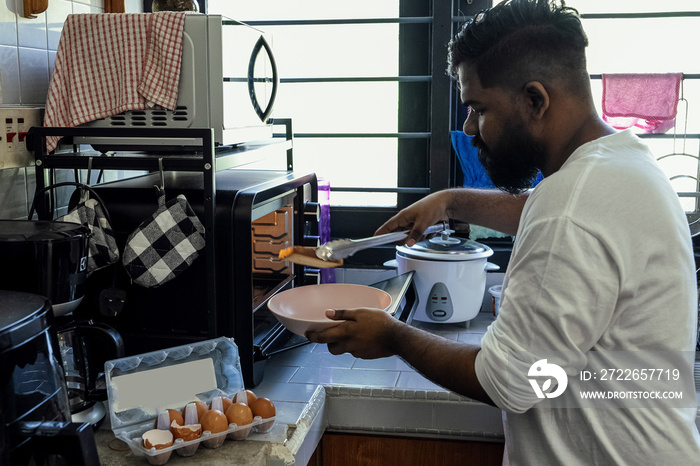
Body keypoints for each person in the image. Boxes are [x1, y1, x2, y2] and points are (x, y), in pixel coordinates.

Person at [306, 0, 700, 464]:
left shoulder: (572, 205)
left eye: (479, 108)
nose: (470, 128)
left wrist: (393, 337)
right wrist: (451, 201)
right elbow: (548, 215)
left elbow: (507, 381)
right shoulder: (620, 165)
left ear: (535, 99)